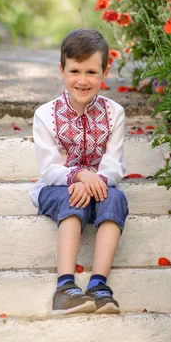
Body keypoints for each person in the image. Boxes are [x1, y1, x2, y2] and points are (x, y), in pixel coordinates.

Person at [29, 28, 128, 315]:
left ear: (104, 73)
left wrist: (96, 179)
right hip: (57, 189)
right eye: (74, 71)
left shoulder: (115, 113)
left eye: (91, 72)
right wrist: (79, 175)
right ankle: (64, 287)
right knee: (70, 198)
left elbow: (113, 164)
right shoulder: (45, 115)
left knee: (117, 199)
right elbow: (49, 170)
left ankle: (99, 285)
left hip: (100, 187)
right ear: (61, 70)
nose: (82, 80)